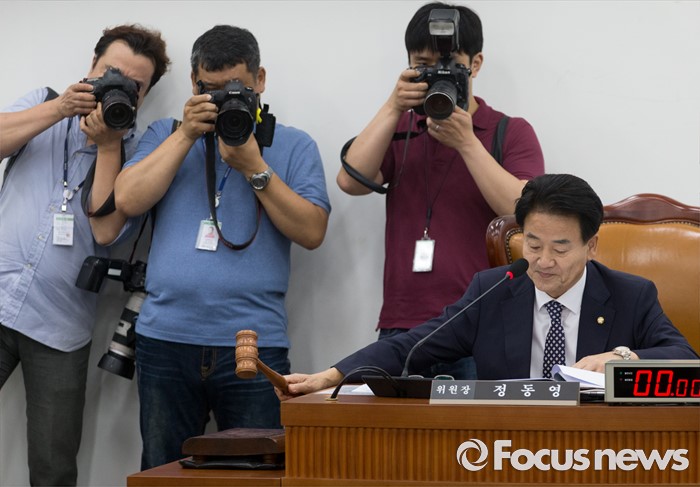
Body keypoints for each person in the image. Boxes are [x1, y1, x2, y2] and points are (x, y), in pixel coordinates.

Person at [105, 25, 330, 470]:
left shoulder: (293, 144)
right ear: (193, 83)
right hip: (165, 338)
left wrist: (254, 167)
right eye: (210, 89)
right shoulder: (166, 133)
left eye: (236, 88)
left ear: (260, 80)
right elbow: (127, 199)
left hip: (253, 345)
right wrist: (187, 135)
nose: (225, 99)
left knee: (257, 472)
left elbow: (312, 232)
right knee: (163, 470)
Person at [279, 174, 699, 398]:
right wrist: (330, 375)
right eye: (533, 244)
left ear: (591, 246)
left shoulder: (630, 295)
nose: (544, 261)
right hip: (504, 446)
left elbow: (685, 357)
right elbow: (413, 346)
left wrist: (622, 358)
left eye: (560, 248)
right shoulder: (494, 290)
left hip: (600, 449)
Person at [337, 2, 545, 379]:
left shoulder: (509, 131)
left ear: (476, 64)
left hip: (483, 322)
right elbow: (350, 180)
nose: (437, 74)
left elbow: (522, 212)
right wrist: (392, 107)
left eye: (449, 64)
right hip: (403, 323)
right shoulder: (401, 128)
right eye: (423, 64)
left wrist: (467, 143)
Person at [0, 25, 169, 486]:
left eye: (133, 85)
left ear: (144, 96)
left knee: (53, 467)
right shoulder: (44, 102)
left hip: (59, 326)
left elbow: (106, 229)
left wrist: (110, 145)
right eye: (110, 72)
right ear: (90, 67)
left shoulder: (140, 154)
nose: (120, 87)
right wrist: (59, 109)